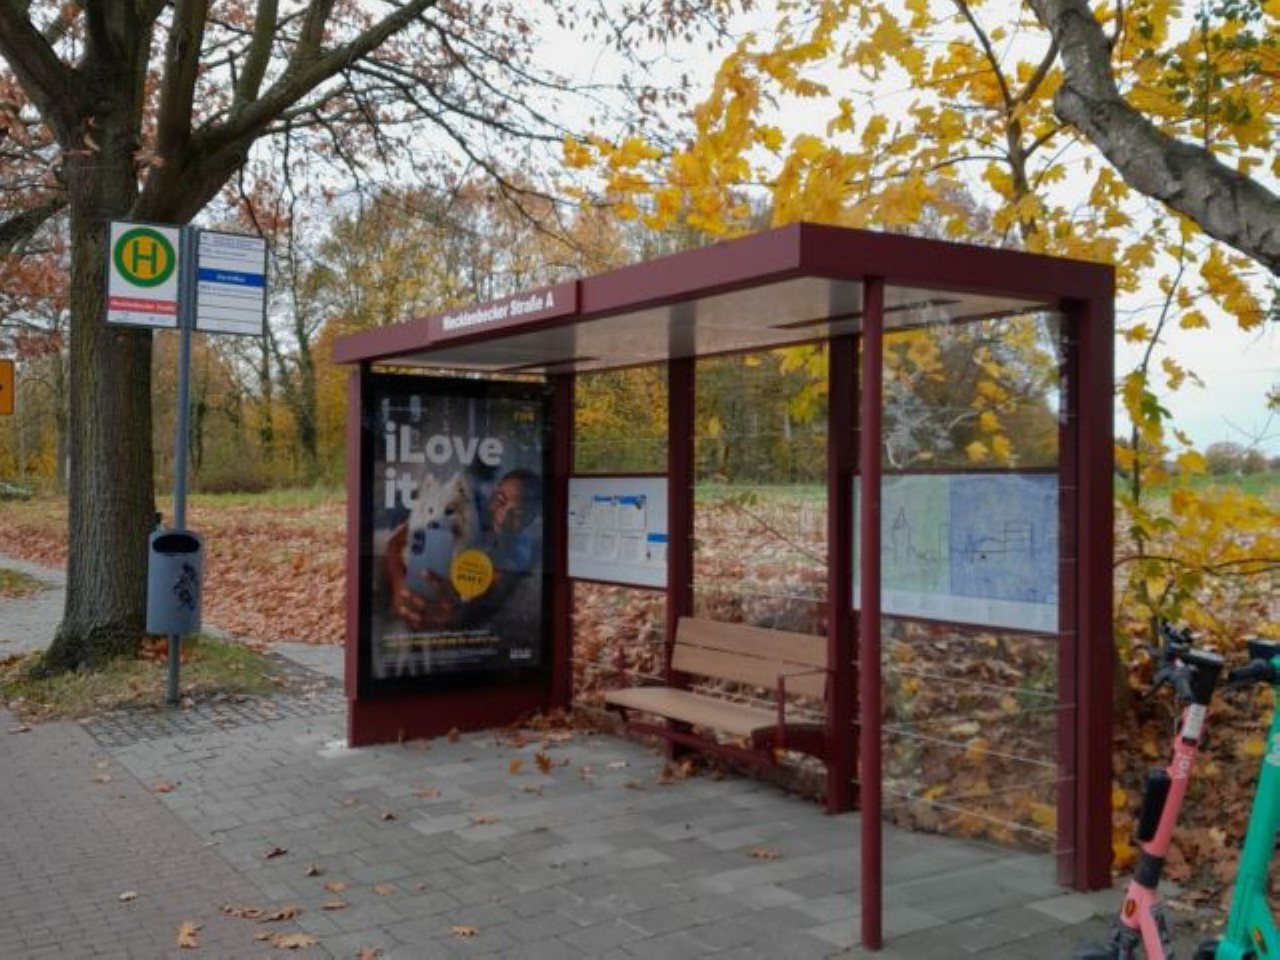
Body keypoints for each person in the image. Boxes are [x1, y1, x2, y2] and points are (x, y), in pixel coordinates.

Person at [384, 468, 541, 633]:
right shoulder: (470, 504)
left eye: (518, 513)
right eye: (500, 501)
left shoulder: (518, 555)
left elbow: (489, 595)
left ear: (530, 518)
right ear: (494, 494)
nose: (503, 518)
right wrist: (398, 583)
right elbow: (396, 541)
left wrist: (458, 611)